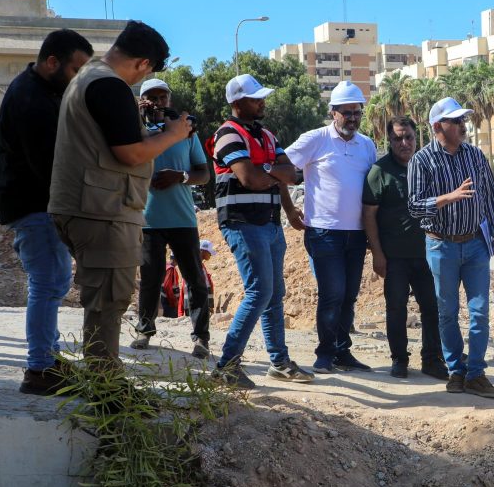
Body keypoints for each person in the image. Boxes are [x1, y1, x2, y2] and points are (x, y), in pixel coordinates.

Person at [48, 21, 190, 368]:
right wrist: (175, 134)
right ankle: (106, 397)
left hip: (86, 206)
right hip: (101, 210)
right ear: (143, 64)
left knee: (103, 301)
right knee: (107, 303)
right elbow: (130, 153)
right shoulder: (109, 86)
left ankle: (105, 386)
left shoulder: (86, 78)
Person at [0, 29, 93, 394]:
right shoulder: (30, 100)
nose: (78, 79)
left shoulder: (42, 90)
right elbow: (48, 165)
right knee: (47, 280)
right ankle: (39, 369)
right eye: (75, 70)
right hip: (33, 203)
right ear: (52, 62)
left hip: (33, 202)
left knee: (53, 280)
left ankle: (48, 358)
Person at [211, 74, 313, 387]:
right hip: (242, 222)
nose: (262, 102)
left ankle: (279, 363)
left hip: (268, 223)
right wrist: (271, 170)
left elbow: (291, 175)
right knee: (260, 292)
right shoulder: (228, 134)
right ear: (237, 103)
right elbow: (249, 179)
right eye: (256, 98)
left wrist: (284, 202)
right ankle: (226, 366)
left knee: (274, 294)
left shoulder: (266, 135)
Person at [408, 97, 494, 399]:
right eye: (457, 121)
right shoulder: (421, 160)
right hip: (440, 245)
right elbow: (413, 206)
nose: (463, 126)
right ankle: (455, 370)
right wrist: (448, 197)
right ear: (438, 126)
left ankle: (476, 373)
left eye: (463, 120)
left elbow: (489, 195)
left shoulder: (475, 155)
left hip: (474, 244)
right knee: (447, 312)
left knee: (479, 311)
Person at [284, 81, 375, 374]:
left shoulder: (368, 145)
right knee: (332, 293)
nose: (352, 118)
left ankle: (342, 352)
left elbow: (373, 191)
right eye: (346, 112)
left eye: (356, 112)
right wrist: (289, 208)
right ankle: (324, 353)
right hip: (323, 232)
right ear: (333, 112)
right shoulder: (316, 139)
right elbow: (279, 167)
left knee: (349, 295)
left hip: (357, 233)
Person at [131, 78, 212, 358]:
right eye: (151, 97)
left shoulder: (185, 132)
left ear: (170, 100)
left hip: (182, 218)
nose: (158, 102)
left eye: (163, 97)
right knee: (150, 278)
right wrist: (136, 115)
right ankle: (144, 330)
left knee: (195, 278)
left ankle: (201, 337)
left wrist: (183, 177)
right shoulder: (135, 130)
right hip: (148, 218)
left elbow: (204, 173)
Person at [362, 116, 448, 380]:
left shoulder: (427, 166)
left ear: (416, 137)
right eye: (398, 138)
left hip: (428, 253)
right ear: (389, 140)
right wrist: (377, 253)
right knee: (396, 308)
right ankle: (399, 359)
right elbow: (368, 215)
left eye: (408, 137)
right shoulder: (379, 171)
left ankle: (432, 359)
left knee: (433, 307)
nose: (404, 143)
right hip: (395, 257)